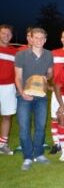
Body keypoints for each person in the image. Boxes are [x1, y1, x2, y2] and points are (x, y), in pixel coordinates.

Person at [14, 27, 53, 170]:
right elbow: (17, 77)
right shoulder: (21, 55)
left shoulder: (49, 55)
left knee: (40, 127)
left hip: (41, 96)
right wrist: (22, 92)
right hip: (24, 96)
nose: (39, 40)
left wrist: (46, 77)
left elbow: (49, 74)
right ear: (30, 38)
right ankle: (28, 157)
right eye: (36, 37)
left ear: (45, 40)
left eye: (42, 38)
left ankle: (39, 154)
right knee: (24, 128)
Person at [0, 24, 17, 155]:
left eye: (8, 34)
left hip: (9, 87)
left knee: (7, 116)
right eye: (3, 33)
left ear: (11, 36)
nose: (6, 36)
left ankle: (2, 144)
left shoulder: (14, 52)